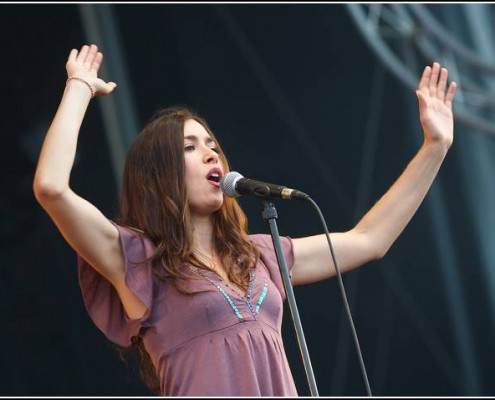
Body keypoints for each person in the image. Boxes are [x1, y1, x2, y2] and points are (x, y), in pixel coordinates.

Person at [33, 43, 457, 396]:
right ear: (158, 175)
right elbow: (52, 188)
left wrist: (434, 148)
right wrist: (79, 88)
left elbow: (369, 239)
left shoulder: (260, 255)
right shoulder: (138, 260)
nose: (211, 152)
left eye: (212, 143)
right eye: (189, 147)